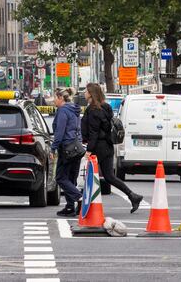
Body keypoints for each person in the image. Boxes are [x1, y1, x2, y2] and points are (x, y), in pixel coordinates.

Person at [81, 83, 143, 212]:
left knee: (89, 176)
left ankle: (81, 206)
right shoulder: (106, 107)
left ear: (91, 93)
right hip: (108, 146)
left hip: (98, 147)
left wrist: (89, 150)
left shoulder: (93, 110)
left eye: (86, 91)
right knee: (109, 176)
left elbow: (94, 133)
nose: (84, 93)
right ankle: (133, 196)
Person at [51, 87, 83, 217]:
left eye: (54, 98)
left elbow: (59, 132)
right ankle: (70, 207)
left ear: (60, 98)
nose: (53, 100)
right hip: (76, 148)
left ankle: (79, 198)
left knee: (60, 177)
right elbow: (78, 129)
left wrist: (53, 148)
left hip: (66, 148)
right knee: (71, 178)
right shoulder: (74, 109)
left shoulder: (63, 110)